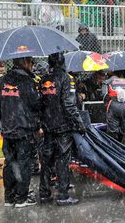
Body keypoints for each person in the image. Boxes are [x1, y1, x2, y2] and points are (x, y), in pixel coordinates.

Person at [38, 52, 86, 206]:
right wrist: (79, 124)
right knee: (62, 161)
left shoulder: (44, 79)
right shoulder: (65, 78)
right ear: (62, 63)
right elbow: (68, 104)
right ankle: (63, 195)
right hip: (62, 126)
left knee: (46, 160)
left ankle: (44, 193)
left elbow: (40, 104)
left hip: (48, 126)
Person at [0, 56, 40, 208]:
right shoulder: (27, 82)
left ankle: (9, 197)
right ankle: (21, 198)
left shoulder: (2, 80)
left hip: (7, 130)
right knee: (23, 164)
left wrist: (3, 123)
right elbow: (35, 105)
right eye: (31, 62)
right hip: (23, 129)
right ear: (25, 63)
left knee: (9, 163)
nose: (32, 65)